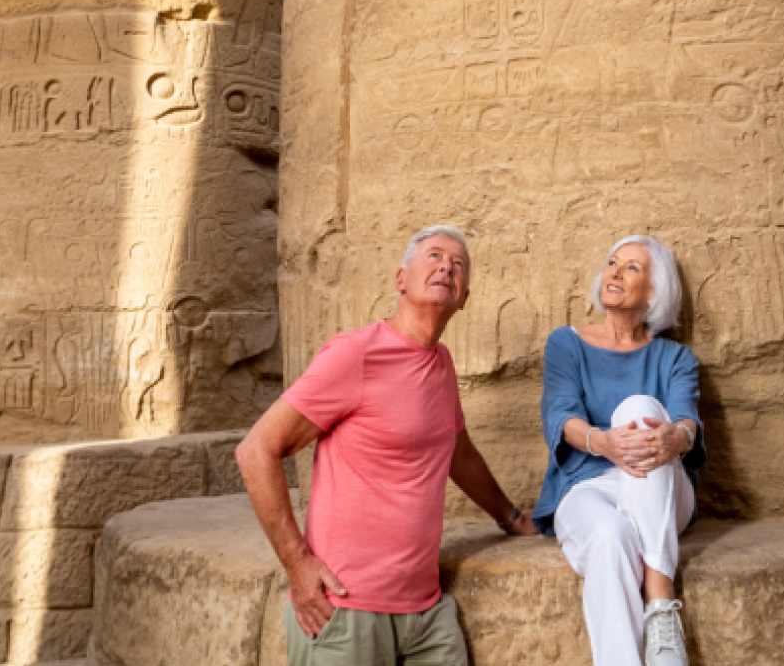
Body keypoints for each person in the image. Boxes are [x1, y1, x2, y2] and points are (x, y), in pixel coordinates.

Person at [236, 226, 541, 666]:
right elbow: (255, 450)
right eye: (434, 256)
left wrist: (510, 517)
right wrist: (298, 565)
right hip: (345, 609)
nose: (446, 267)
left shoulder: (441, 363)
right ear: (401, 279)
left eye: (458, 264)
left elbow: (458, 452)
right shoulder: (356, 353)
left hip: (425, 612)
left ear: (465, 297)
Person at [534, 236, 705, 666]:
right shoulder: (566, 343)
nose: (614, 272)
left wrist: (678, 438)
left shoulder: (675, 357)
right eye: (612, 262)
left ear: (654, 291)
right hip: (586, 485)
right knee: (610, 538)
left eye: (632, 267)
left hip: (661, 489)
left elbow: (687, 418)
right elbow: (560, 413)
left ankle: (660, 603)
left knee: (639, 410)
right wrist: (603, 442)